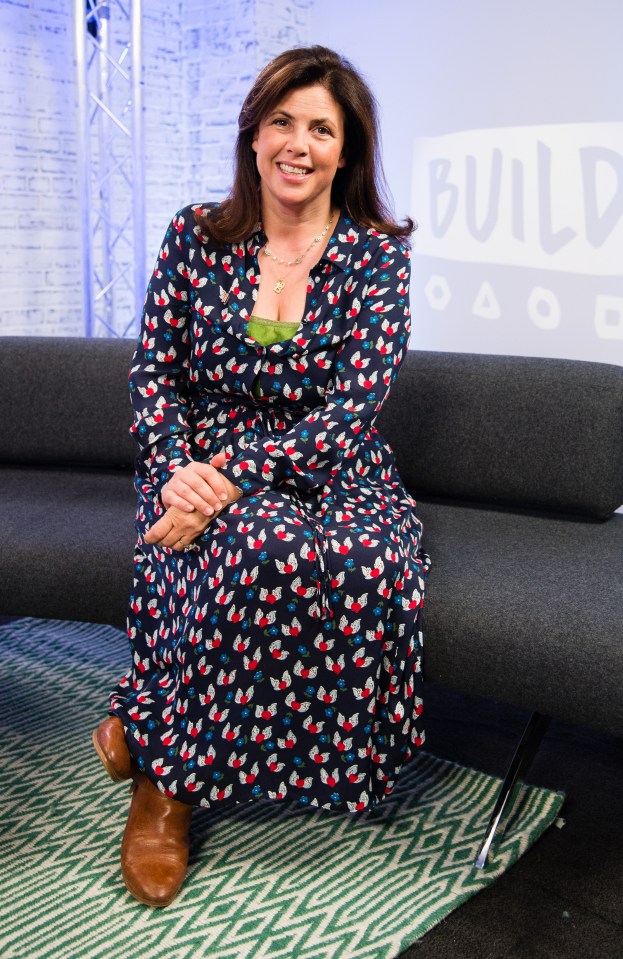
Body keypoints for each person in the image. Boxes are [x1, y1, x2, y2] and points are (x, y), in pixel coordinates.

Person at [92, 44, 430, 908]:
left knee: (368, 565)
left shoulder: (376, 255)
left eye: (321, 128)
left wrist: (234, 473)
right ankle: (164, 782)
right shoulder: (194, 234)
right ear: (253, 136)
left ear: (345, 152)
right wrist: (178, 472)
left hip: (330, 463)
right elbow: (153, 375)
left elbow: (354, 404)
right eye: (282, 121)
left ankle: (152, 727)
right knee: (253, 542)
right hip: (194, 460)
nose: (298, 143)